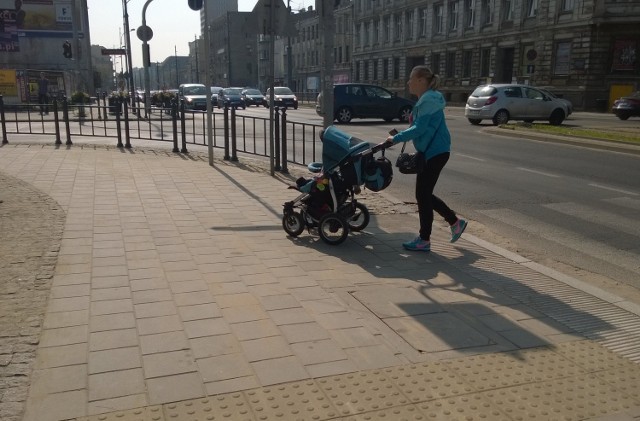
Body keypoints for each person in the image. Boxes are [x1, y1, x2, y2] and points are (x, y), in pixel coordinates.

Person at [384, 65, 467, 252]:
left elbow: (419, 129)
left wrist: (395, 138)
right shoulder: (428, 99)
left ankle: (425, 239)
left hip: (434, 152)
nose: (408, 82)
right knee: (424, 194)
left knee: (422, 195)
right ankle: (454, 223)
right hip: (435, 151)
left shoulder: (428, 100)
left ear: (421, 80)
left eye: (411, 78)